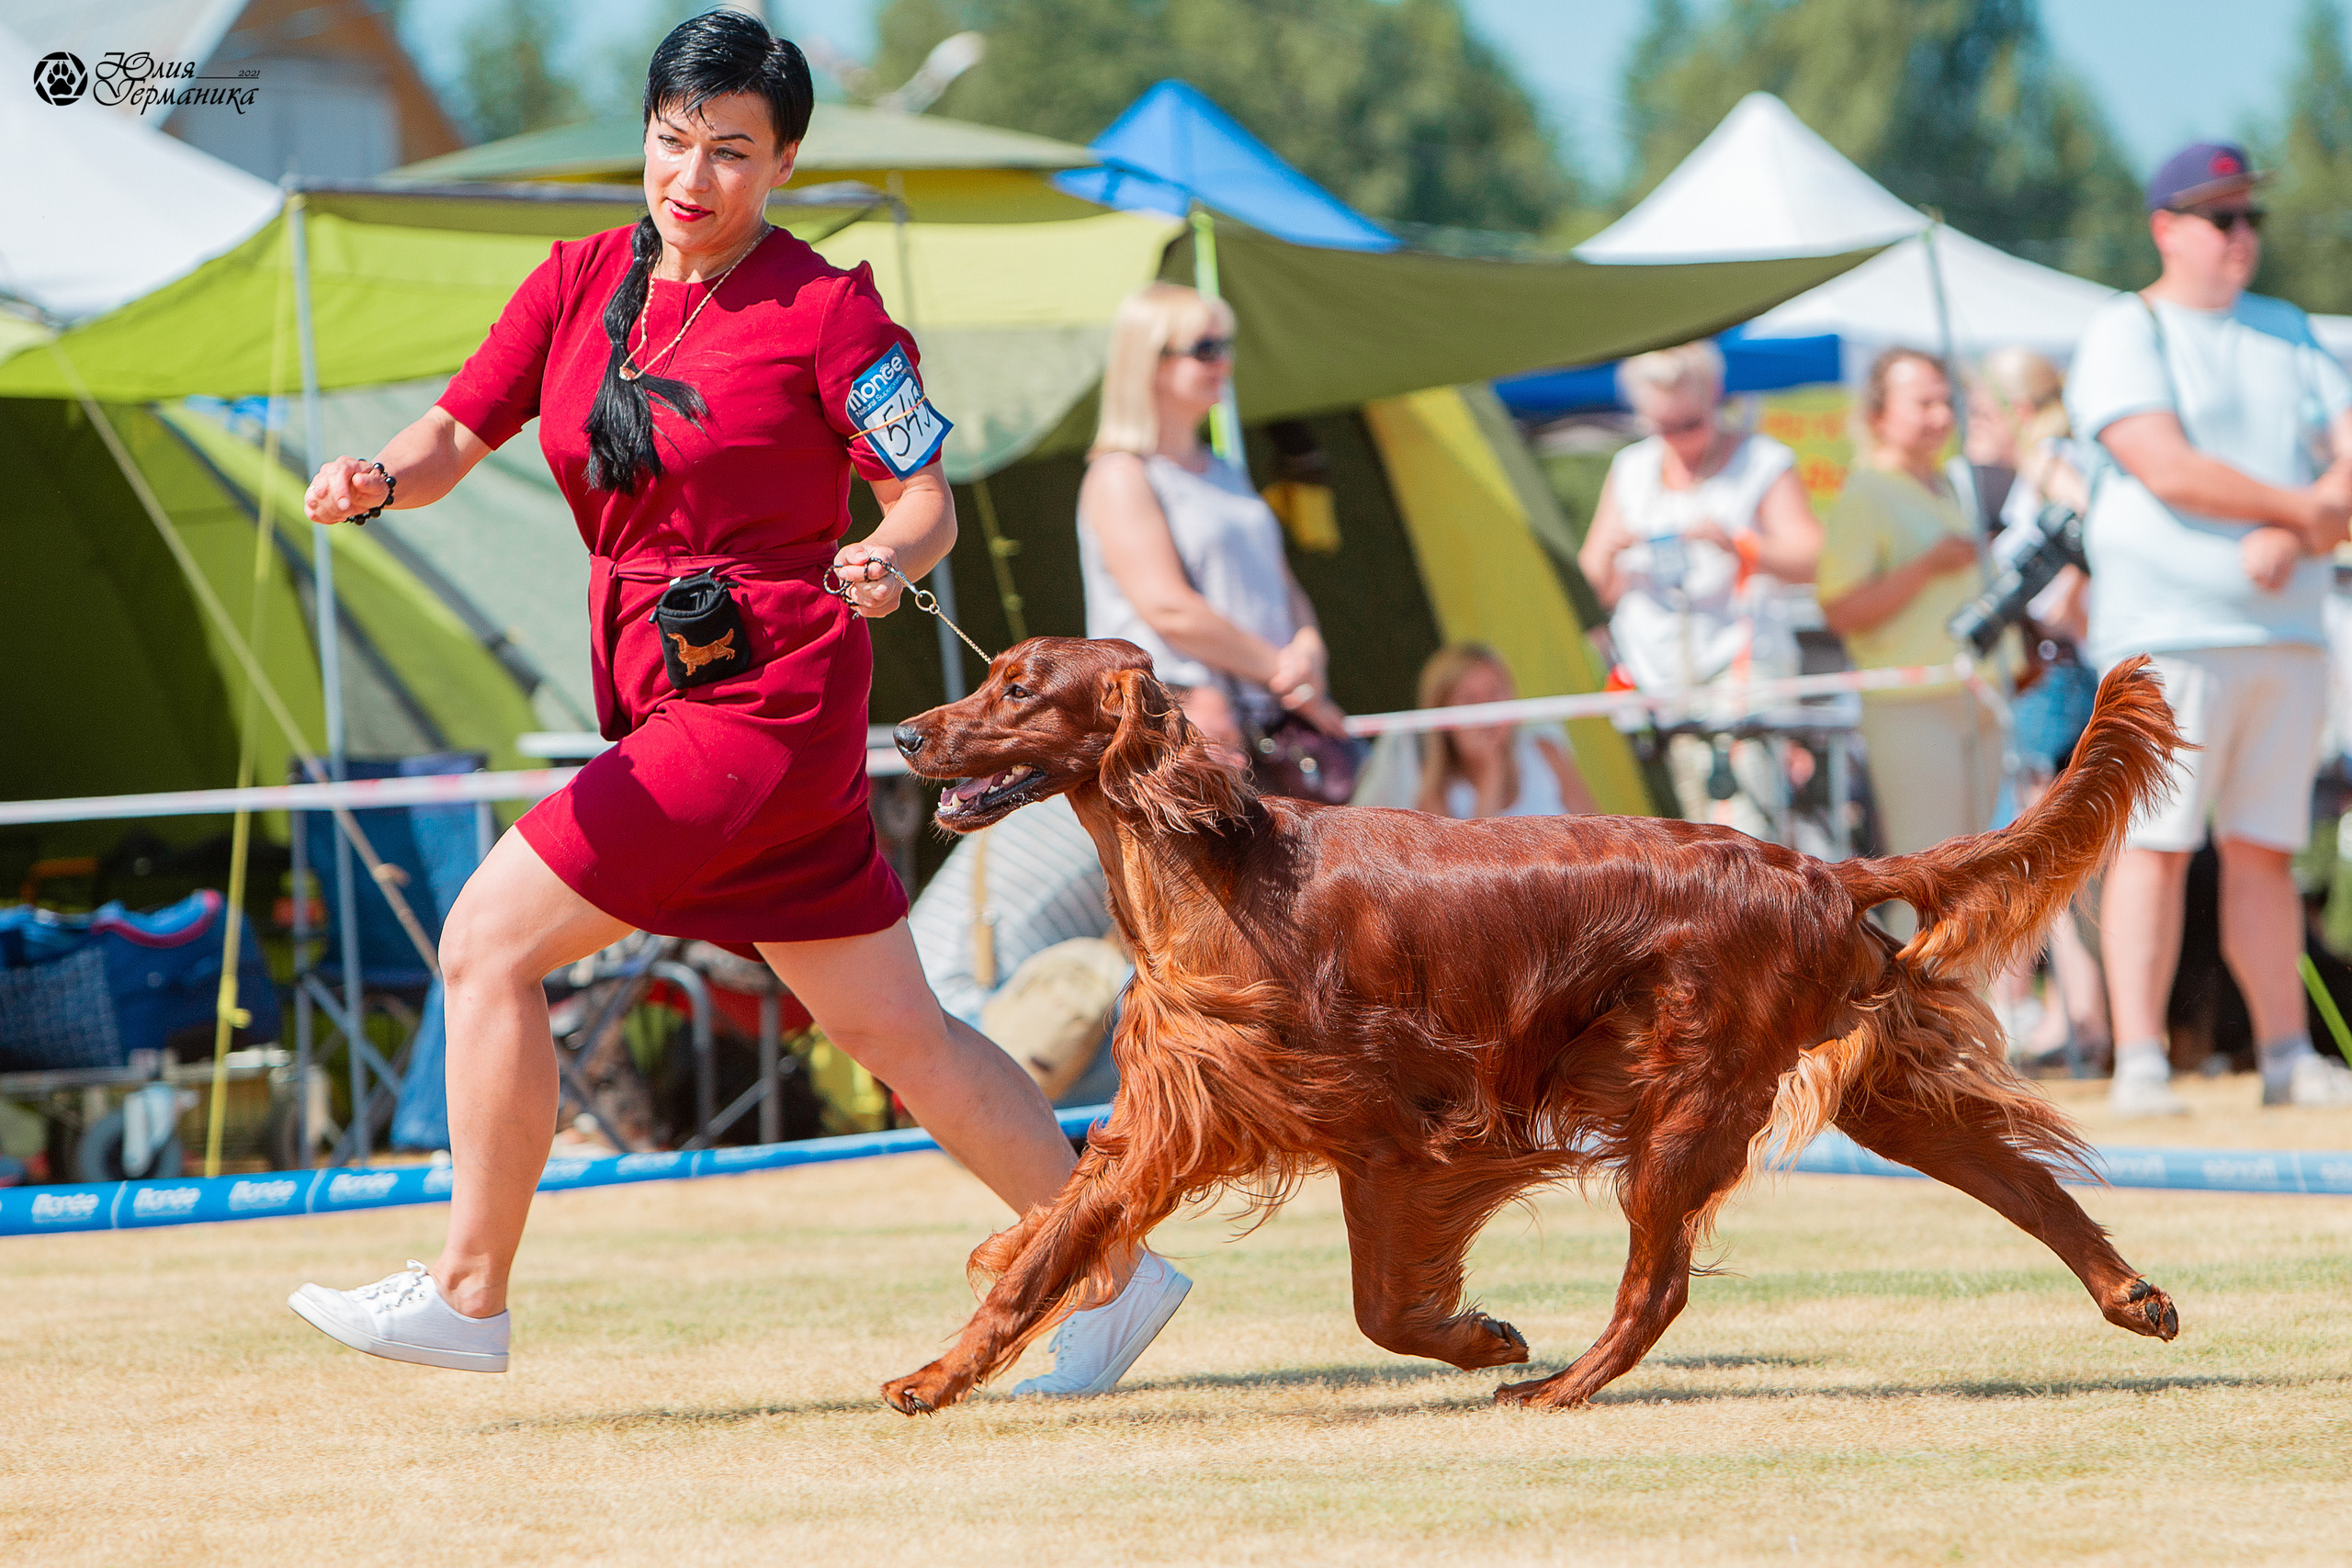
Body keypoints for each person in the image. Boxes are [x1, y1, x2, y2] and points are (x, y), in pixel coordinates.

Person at [283, 13, 1189, 1397]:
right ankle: (1116, 1268)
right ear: (643, 135)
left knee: (485, 944)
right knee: (902, 1034)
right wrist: (380, 477)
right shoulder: (576, 280)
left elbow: (923, 491)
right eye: (670, 141)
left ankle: (469, 1291)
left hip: (765, 702)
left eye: (729, 151)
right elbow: (462, 429)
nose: (690, 177)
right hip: (659, 696)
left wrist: (891, 553)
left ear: (782, 163)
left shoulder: (830, 310)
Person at [2067, 141, 2352, 1114]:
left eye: (2251, 219)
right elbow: (2164, 466)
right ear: (2166, 229)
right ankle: (2140, 1058)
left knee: (2265, 852)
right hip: (2169, 630)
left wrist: (2305, 520)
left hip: (2284, 634)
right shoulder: (2124, 328)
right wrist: (2301, 513)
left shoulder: (2290, 331)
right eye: (2221, 218)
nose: (2242, 237)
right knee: (2153, 846)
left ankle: (2284, 1054)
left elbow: (2349, 454)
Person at [1077, 282, 1348, 781]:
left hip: (1263, 722)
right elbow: (1167, 608)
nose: (1224, 362)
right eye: (1206, 349)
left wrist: (1309, 649)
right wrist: (1285, 673)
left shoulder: (1225, 470)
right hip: (1184, 727)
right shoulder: (1121, 475)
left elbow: (1280, 584)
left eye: (1225, 347)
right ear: (1151, 362)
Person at [1577, 341, 1823, 840]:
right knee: (1671, 835)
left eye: (1690, 423)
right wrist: (1609, 552)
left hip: (1742, 672)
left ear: (1716, 395)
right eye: (1662, 427)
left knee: (1745, 829)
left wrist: (1740, 545)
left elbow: (1813, 558)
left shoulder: (1763, 461)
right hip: (1654, 684)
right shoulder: (1631, 468)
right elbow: (1589, 589)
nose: (1678, 440)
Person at [1817, 348, 2007, 920]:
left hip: (1976, 694)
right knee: (1928, 877)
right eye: (1922, 402)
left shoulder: (1951, 485)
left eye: (1945, 401)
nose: (1939, 415)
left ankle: (1959, 1006)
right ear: (1879, 413)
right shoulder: (1865, 493)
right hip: (1910, 703)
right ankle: (1904, 1007)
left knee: (1974, 879)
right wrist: (1925, 566)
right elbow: (1840, 609)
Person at [1972, 348, 2111, 1066]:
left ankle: (2068, 1020)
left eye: (1981, 412)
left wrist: (2069, 612)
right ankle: (2078, 1018)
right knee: (2055, 855)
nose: (1971, 429)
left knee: (2043, 853)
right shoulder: (2052, 459)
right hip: (2051, 671)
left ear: (2016, 411)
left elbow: (2096, 530)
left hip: (2053, 673)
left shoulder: (2050, 459)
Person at [908, 794, 1126, 1108]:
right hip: (971, 1020)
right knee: (1183, 1016)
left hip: (922, 1007)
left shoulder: (1040, 792)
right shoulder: (1124, 813)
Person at [1408, 644, 1597, 819]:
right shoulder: (1435, 799)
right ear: (1442, 718)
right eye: (1469, 699)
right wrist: (1490, 772)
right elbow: (1478, 854)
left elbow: (1596, 834)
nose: (1486, 709)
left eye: (1495, 692)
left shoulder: (1545, 753)